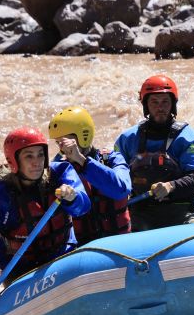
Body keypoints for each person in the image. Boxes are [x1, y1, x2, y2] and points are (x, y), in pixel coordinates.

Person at [0, 127, 90, 308]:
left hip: (61, 256)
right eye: (29, 156)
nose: (37, 162)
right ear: (14, 161)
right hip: (22, 270)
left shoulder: (61, 173)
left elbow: (83, 208)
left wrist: (73, 197)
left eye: (40, 155)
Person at [114, 74, 194, 231]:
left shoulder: (189, 137)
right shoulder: (127, 139)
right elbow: (115, 177)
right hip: (139, 213)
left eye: (165, 102)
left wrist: (171, 186)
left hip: (179, 212)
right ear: (146, 105)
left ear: (172, 104)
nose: (160, 107)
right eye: (154, 102)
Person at [48, 105, 132, 245]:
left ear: (83, 136)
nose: (62, 148)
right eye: (59, 143)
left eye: (66, 141)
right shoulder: (60, 168)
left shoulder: (112, 159)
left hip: (119, 242)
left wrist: (81, 160)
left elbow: (121, 189)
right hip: (84, 249)